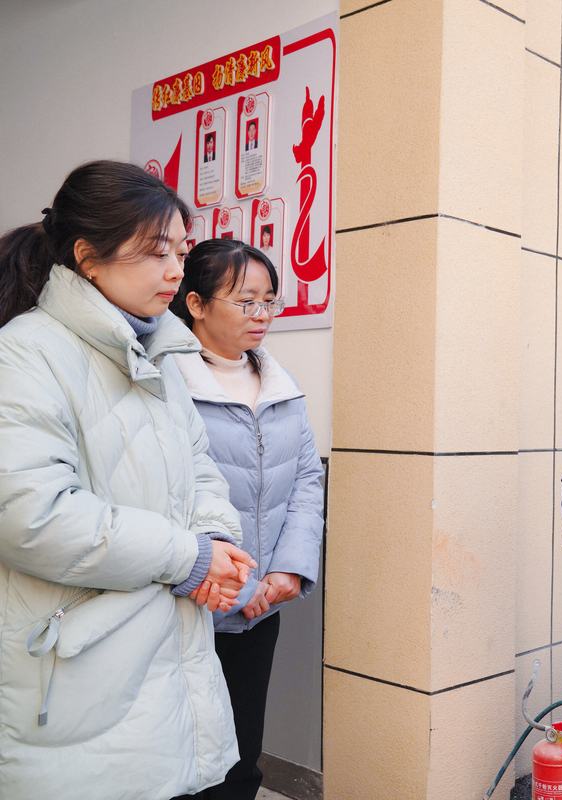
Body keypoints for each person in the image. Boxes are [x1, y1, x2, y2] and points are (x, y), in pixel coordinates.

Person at [0, 160, 254, 798]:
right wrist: (190, 557)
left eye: (180, 249)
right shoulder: (27, 352)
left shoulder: (155, 351)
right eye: (154, 251)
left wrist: (218, 545)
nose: (175, 269)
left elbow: (199, 469)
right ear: (88, 257)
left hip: (166, 654)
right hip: (82, 673)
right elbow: (33, 515)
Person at [170, 239, 325, 798]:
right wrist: (239, 587)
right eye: (245, 301)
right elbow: (167, 497)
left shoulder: (280, 385)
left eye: (269, 301)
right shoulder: (165, 383)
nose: (261, 316)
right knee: (183, 756)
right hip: (188, 604)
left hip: (262, 609)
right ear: (196, 304)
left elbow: (309, 480)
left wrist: (287, 573)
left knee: (242, 752)